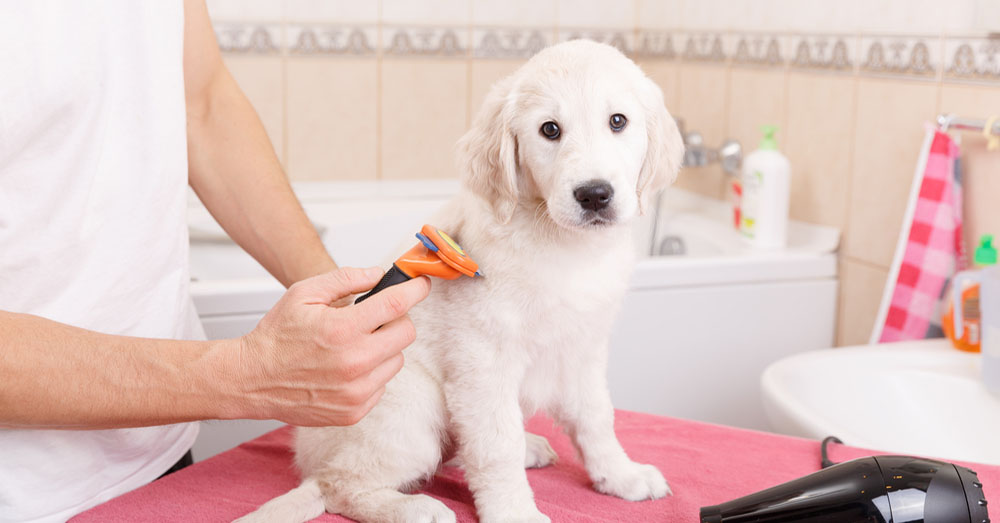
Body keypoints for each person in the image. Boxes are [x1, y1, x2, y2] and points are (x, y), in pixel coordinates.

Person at [0, 1, 430, 521]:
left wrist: (341, 301)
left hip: (152, 454)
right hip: (22, 491)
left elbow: (201, 101)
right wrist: (245, 376)